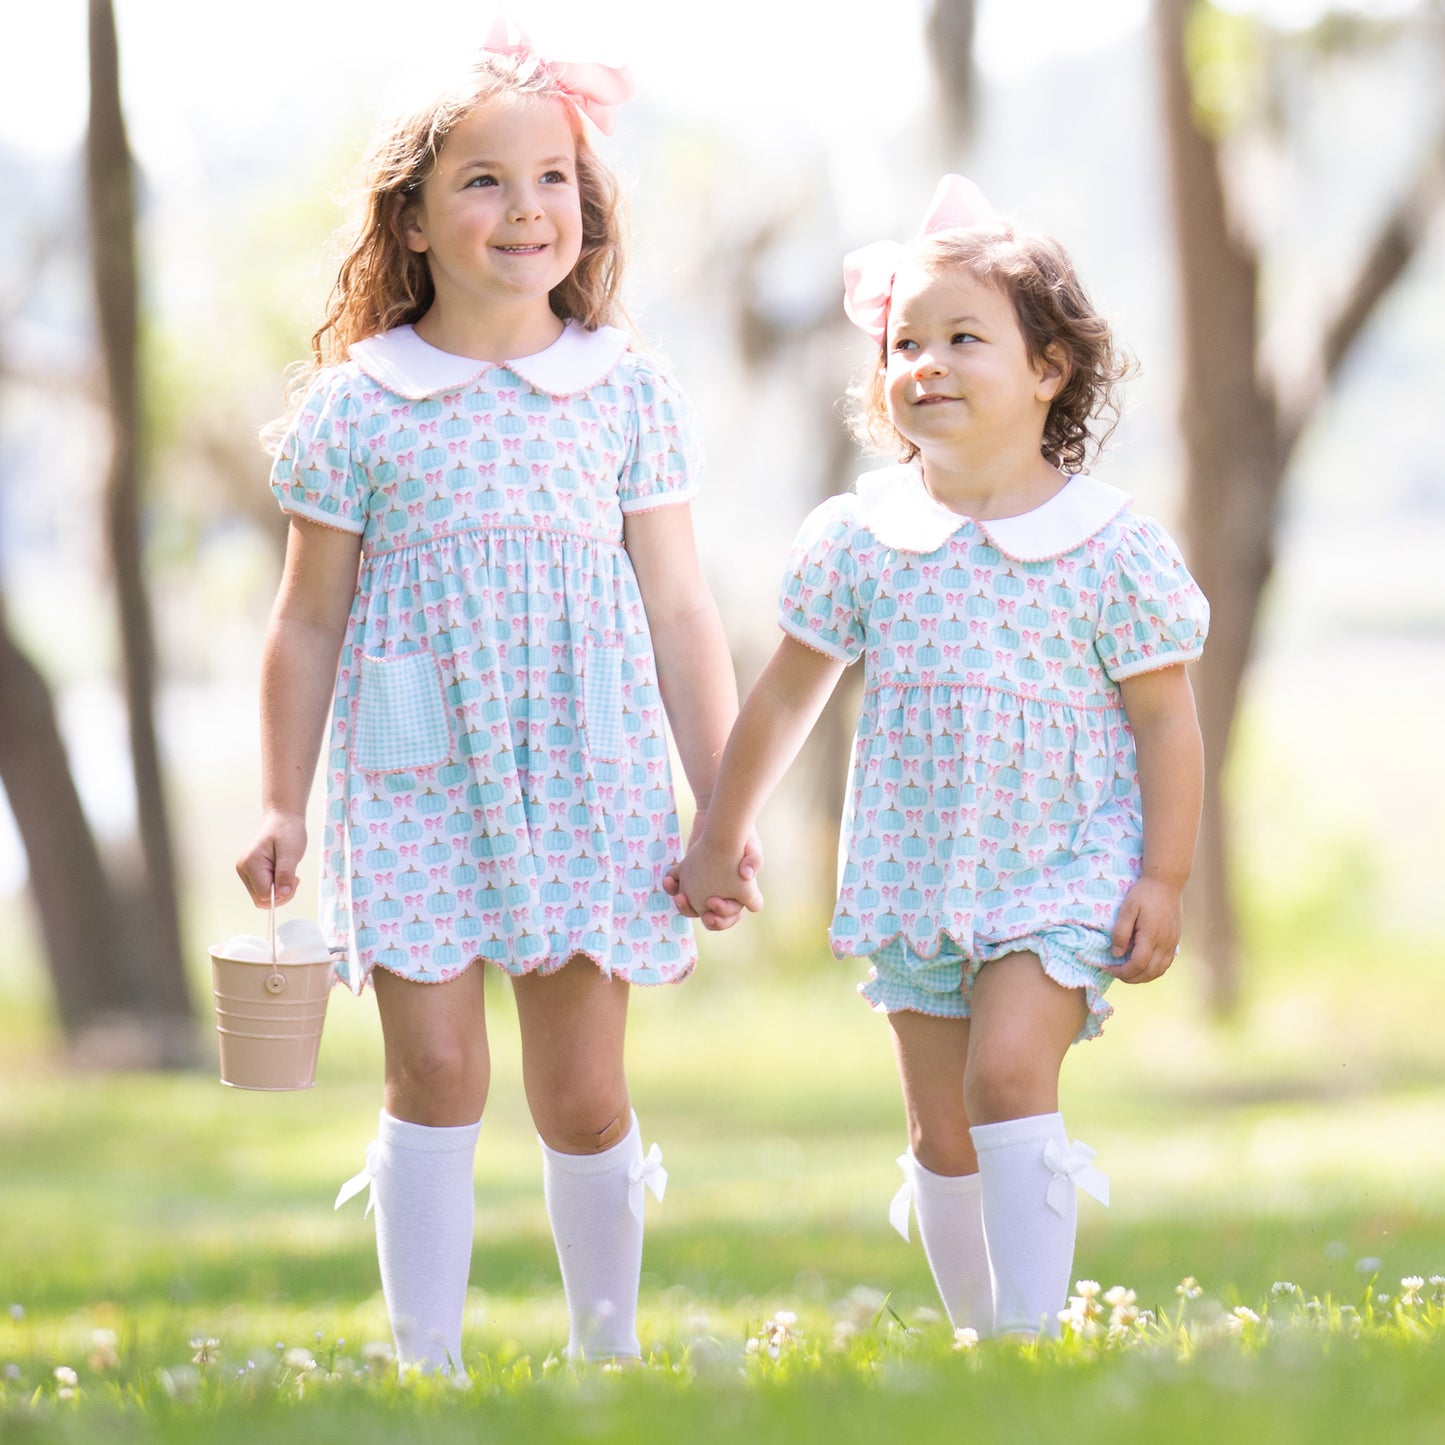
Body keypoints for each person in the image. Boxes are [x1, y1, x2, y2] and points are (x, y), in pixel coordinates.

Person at [237, 18, 751, 1373]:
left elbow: (683, 608)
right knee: (438, 1077)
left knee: (583, 1096)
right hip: (417, 774)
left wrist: (719, 799)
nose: (526, 208)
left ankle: (607, 1355)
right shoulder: (361, 406)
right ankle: (426, 1364)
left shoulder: (623, 391)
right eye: (482, 180)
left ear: (588, 207)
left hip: (594, 772)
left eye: (554, 181)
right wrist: (283, 800)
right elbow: (303, 622)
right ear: (408, 219)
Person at [674, 176, 1209, 1338]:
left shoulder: (1108, 548)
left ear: (1047, 370)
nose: (927, 361)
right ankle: (981, 1340)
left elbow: (1166, 721)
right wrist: (719, 829)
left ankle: (1030, 1331)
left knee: (1008, 1075)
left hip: (1062, 861)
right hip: (916, 867)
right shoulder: (861, 538)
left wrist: (1160, 877)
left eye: (964, 337)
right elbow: (782, 698)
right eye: (903, 341)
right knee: (936, 1129)